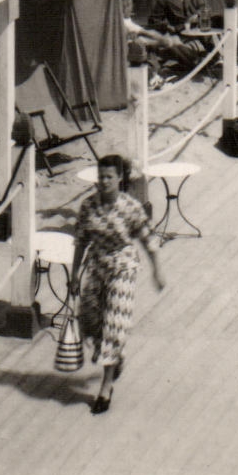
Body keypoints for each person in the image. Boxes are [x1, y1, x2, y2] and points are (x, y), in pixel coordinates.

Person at [73, 154, 165, 415]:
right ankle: (116, 358)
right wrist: (73, 275)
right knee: (90, 322)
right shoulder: (88, 206)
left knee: (114, 323)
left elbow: (148, 239)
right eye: (100, 177)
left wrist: (157, 270)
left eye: (109, 177)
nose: (103, 182)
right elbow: (80, 241)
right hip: (97, 267)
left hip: (123, 268)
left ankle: (106, 386)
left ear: (120, 178)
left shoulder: (129, 207)